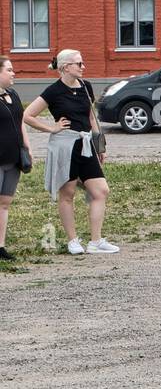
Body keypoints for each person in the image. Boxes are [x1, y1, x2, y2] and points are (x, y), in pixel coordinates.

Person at [22, 48, 119, 254]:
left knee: (100, 191)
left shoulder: (86, 86)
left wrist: (99, 144)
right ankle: (73, 240)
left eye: (82, 63)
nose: (83, 67)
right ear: (66, 67)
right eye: (79, 64)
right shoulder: (53, 91)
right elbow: (28, 115)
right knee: (68, 193)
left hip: (86, 144)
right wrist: (52, 127)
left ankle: (95, 241)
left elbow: (91, 117)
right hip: (65, 145)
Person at [0, 56, 32, 261]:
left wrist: (27, 148)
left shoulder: (13, 95)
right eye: (9, 70)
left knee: (4, 203)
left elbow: (21, 123)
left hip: (14, 160)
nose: (14, 73)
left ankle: (0, 246)